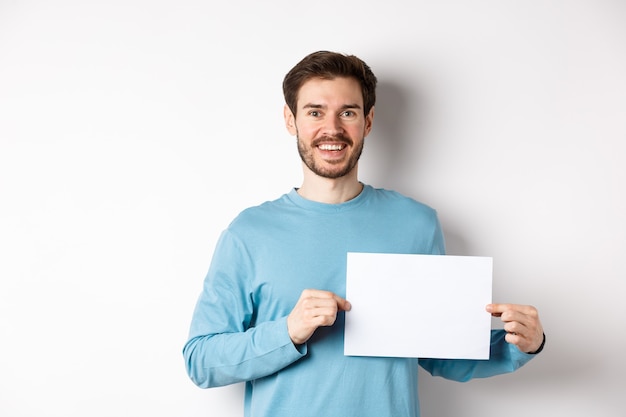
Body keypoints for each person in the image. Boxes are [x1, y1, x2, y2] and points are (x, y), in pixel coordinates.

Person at [182, 50, 545, 417]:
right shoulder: (249, 232)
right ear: (291, 120)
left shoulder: (416, 224)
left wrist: (520, 345)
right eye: (315, 112)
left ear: (368, 122)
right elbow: (201, 360)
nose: (332, 128)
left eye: (348, 112)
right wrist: (288, 331)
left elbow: (439, 352)